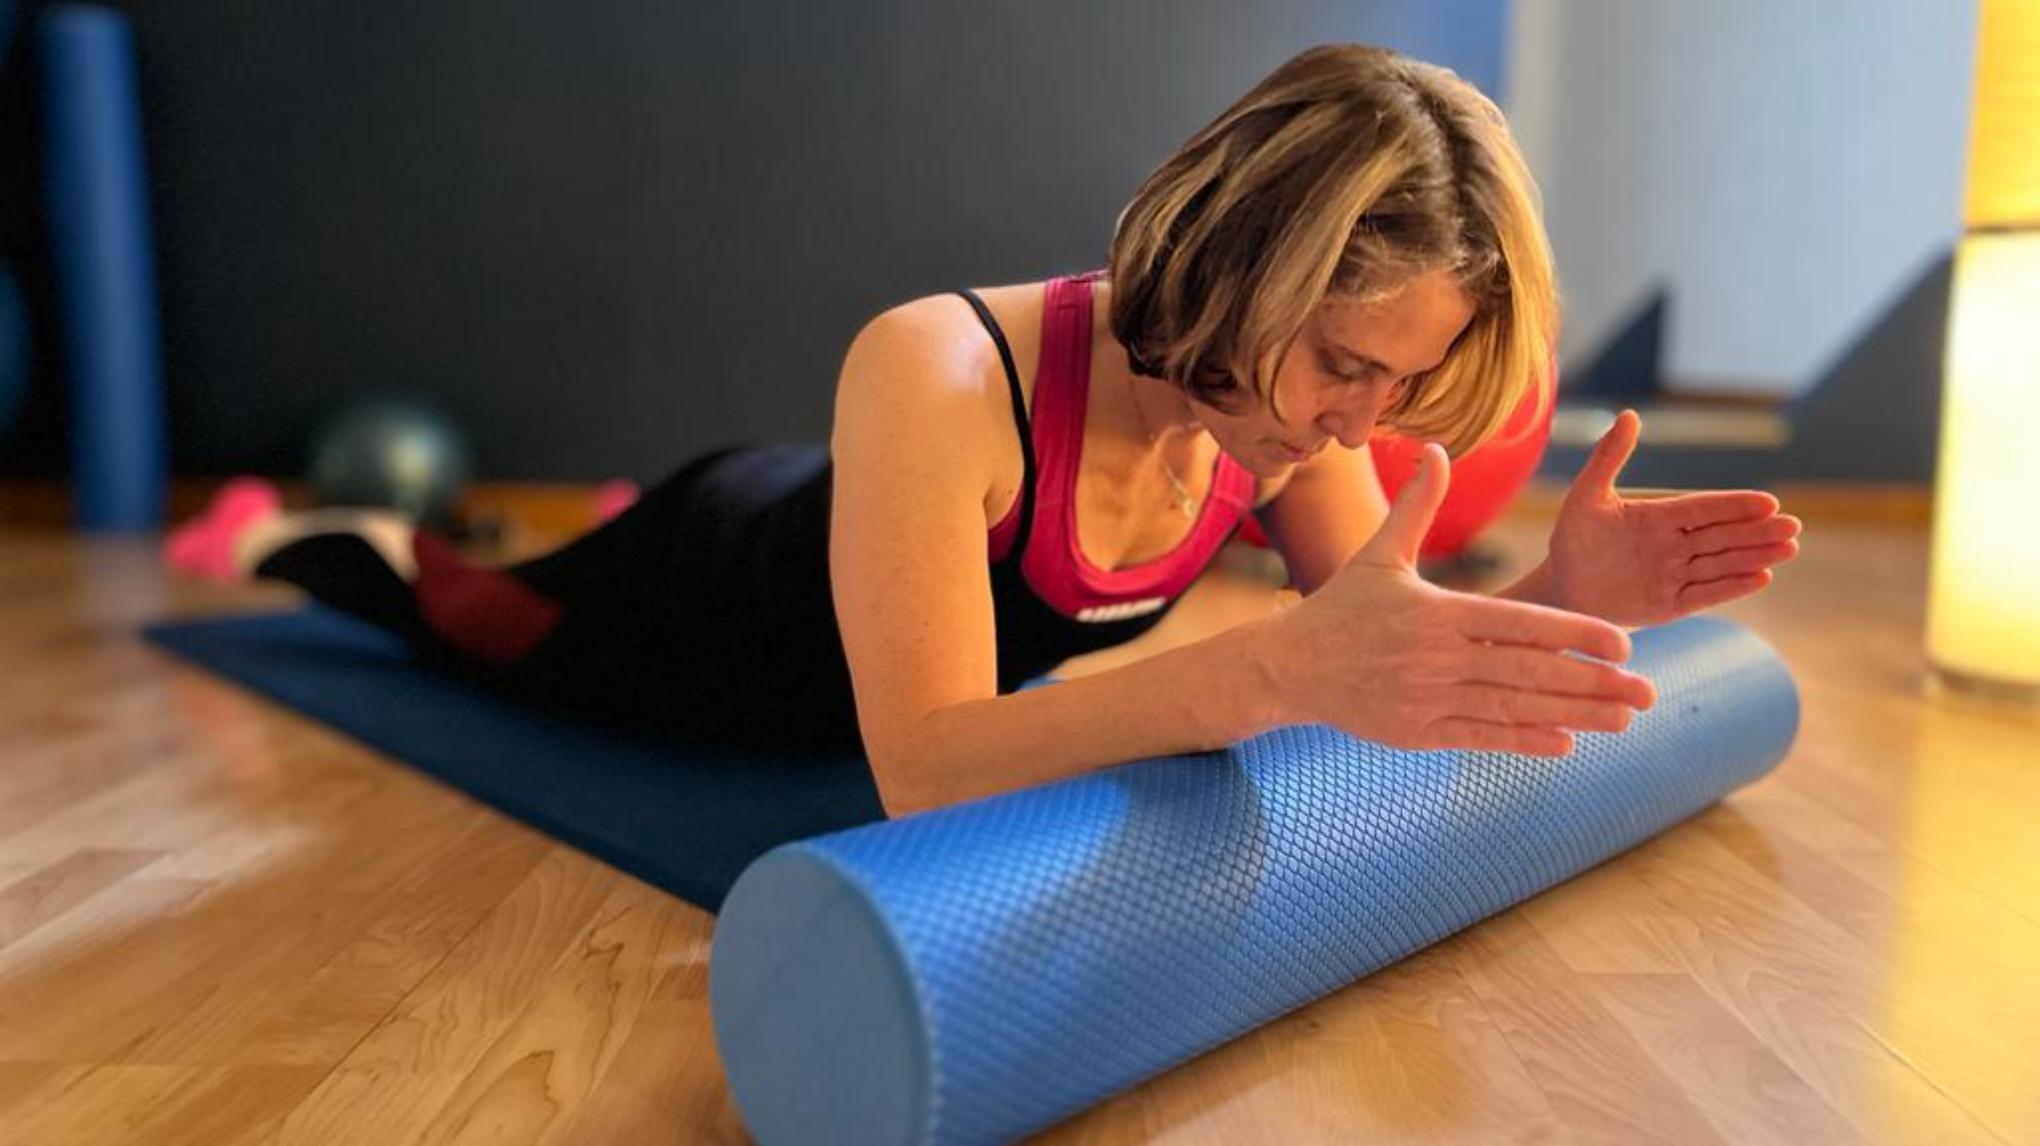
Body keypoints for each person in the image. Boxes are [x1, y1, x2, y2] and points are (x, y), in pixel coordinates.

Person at [171, 44, 1800, 817]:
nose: (1359, 424)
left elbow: (1390, 652)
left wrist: (1564, 597)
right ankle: (300, 531)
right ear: (1241, 261)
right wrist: (1275, 673)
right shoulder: (937, 367)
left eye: (1400, 385)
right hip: (701, 589)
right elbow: (928, 763)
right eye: (1342, 365)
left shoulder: (1293, 427)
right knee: (458, 618)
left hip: (837, 566)